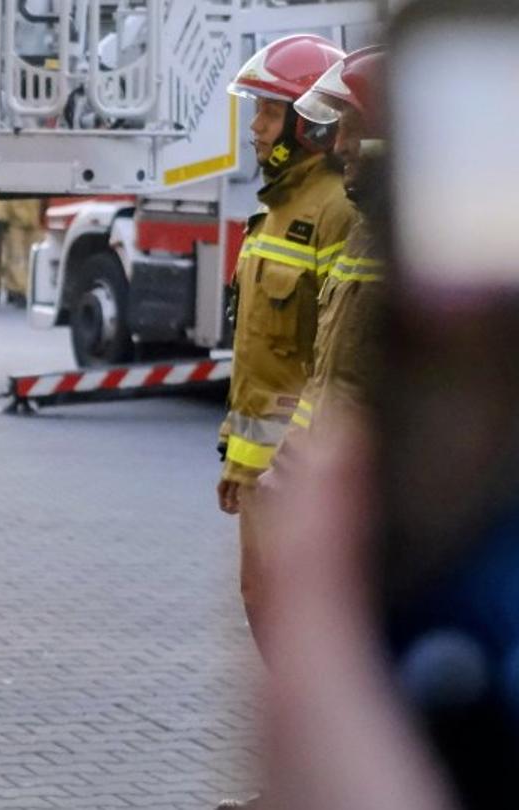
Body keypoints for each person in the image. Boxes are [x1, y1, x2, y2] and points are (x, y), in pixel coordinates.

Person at [216, 34, 355, 662]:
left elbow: (335, 352)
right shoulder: (274, 208)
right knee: (261, 597)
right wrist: (235, 455)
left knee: (297, 608)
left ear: (308, 126)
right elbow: (256, 348)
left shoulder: (335, 211)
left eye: (268, 113)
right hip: (260, 464)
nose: (255, 128)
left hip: (302, 467)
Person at [274, 47, 387, 453]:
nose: (338, 146)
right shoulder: (365, 230)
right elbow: (327, 381)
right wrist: (290, 459)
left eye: (351, 129)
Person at [0, 197, 39, 307]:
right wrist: (0, 215)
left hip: (35, 219)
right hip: (14, 221)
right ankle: (18, 290)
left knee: (31, 258)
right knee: (16, 258)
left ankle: (22, 289)